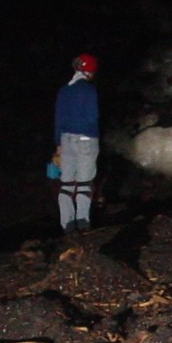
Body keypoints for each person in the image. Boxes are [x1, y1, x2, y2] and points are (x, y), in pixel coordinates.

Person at [53, 53, 99, 233]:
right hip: (86, 138)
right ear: (90, 71)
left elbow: (58, 119)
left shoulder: (64, 90)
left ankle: (66, 225)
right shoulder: (88, 90)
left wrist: (58, 142)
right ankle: (82, 223)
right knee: (85, 183)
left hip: (65, 139)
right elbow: (92, 116)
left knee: (66, 183)